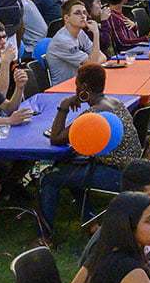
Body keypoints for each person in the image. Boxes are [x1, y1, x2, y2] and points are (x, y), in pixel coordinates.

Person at [39, 64, 142, 242]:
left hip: (116, 175)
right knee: (69, 169)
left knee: (49, 177)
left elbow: (56, 138)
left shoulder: (94, 113)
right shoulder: (114, 102)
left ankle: (45, 236)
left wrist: (63, 106)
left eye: (77, 85)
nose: (76, 89)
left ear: (84, 87)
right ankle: (89, 222)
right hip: (131, 170)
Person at [44, 0, 106, 87]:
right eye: (77, 13)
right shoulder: (62, 40)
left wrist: (93, 62)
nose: (83, 16)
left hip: (80, 84)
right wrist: (96, 34)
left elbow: (102, 57)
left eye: (84, 12)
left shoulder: (80, 32)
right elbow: (93, 63)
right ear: (66, 18)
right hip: (63, 89)